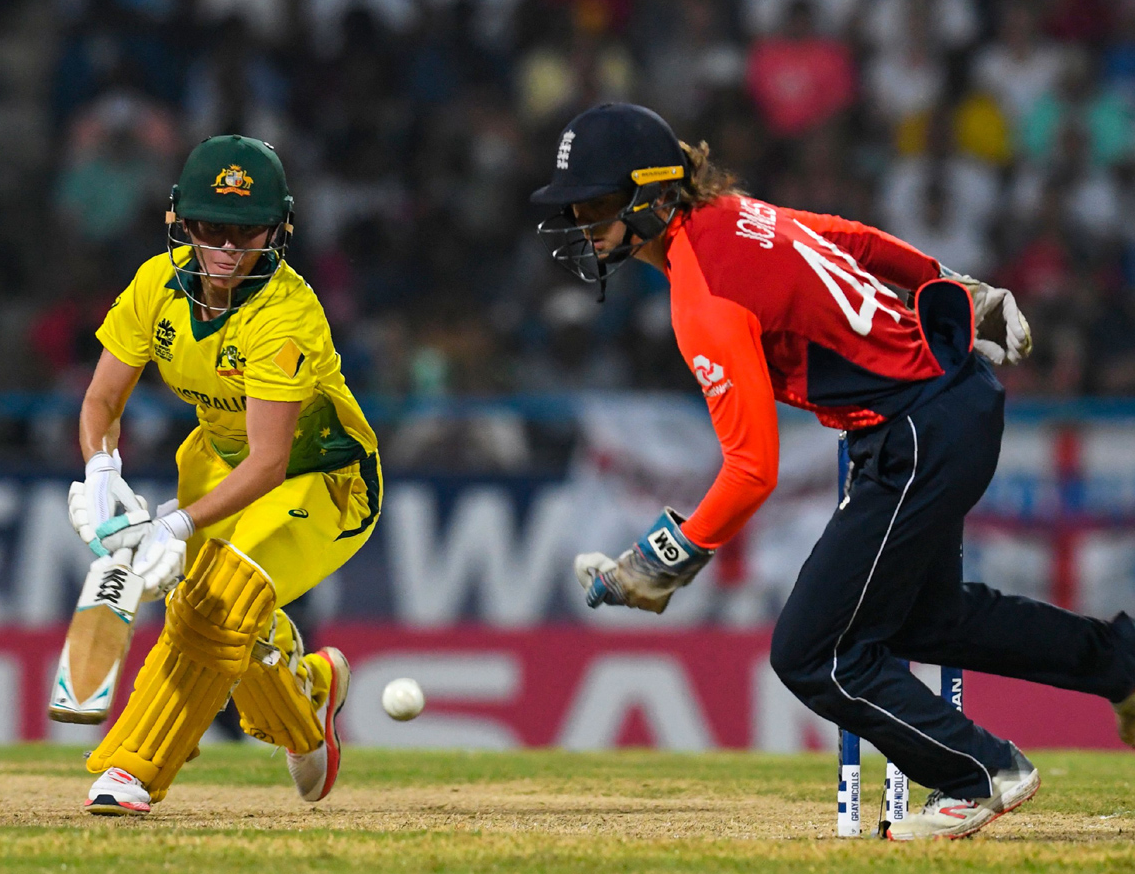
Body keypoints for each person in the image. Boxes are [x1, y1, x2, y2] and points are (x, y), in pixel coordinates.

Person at [531, 102, 1135, 840]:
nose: (582, 224)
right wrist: (954, 284)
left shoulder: (702, 295)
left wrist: (664, 560)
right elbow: (849, 238)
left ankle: (978, 773)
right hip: (943, 408)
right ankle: (1123, 665)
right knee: (929, 621)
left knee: (814, 652)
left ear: (654, 196)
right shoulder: (730, 214)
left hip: (916, 430)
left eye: (594, 204)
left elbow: (752, 471)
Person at [67, 134, 381, 815]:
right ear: (181, 220)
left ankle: (131, 770)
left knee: (214, 601)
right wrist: (100, 468)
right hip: (215, 464)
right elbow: (101, 400)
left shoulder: (285, 315)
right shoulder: (157, 285)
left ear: (279, 229)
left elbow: (272, 460)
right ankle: (310, 699)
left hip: (321, 475)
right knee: (234, 619)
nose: (227, 249)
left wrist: (175, 525)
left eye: (247, 231)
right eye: (212, 228)